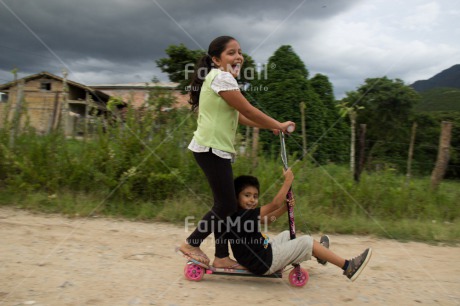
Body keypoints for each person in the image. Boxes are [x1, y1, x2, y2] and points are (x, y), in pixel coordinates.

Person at [179, 35, 295, 269]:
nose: (238, 57)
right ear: (216, 59)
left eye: (240, 52)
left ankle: (221, 256)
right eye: (231, 53)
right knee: (226, 205)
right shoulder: (221, 77)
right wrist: (279, 124)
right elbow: (248, 110)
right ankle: (192, 243)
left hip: (214, 149)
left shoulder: (218, 78)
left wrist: (271, 125)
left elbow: (239, 116)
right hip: (211, 148)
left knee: (227, 204)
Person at [228, 169, 372, 281]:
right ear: (236, 197)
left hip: (262, 255)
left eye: (255, 196)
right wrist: (288, 181)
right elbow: (275, 203)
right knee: (306, 242)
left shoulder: (242, 215)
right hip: (263, 262)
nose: (252, 200)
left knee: (287, 234)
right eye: (247, 195)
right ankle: (348, 267)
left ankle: (321, 254)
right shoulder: (242, 215)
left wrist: (284, 208)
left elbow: (268, 220)